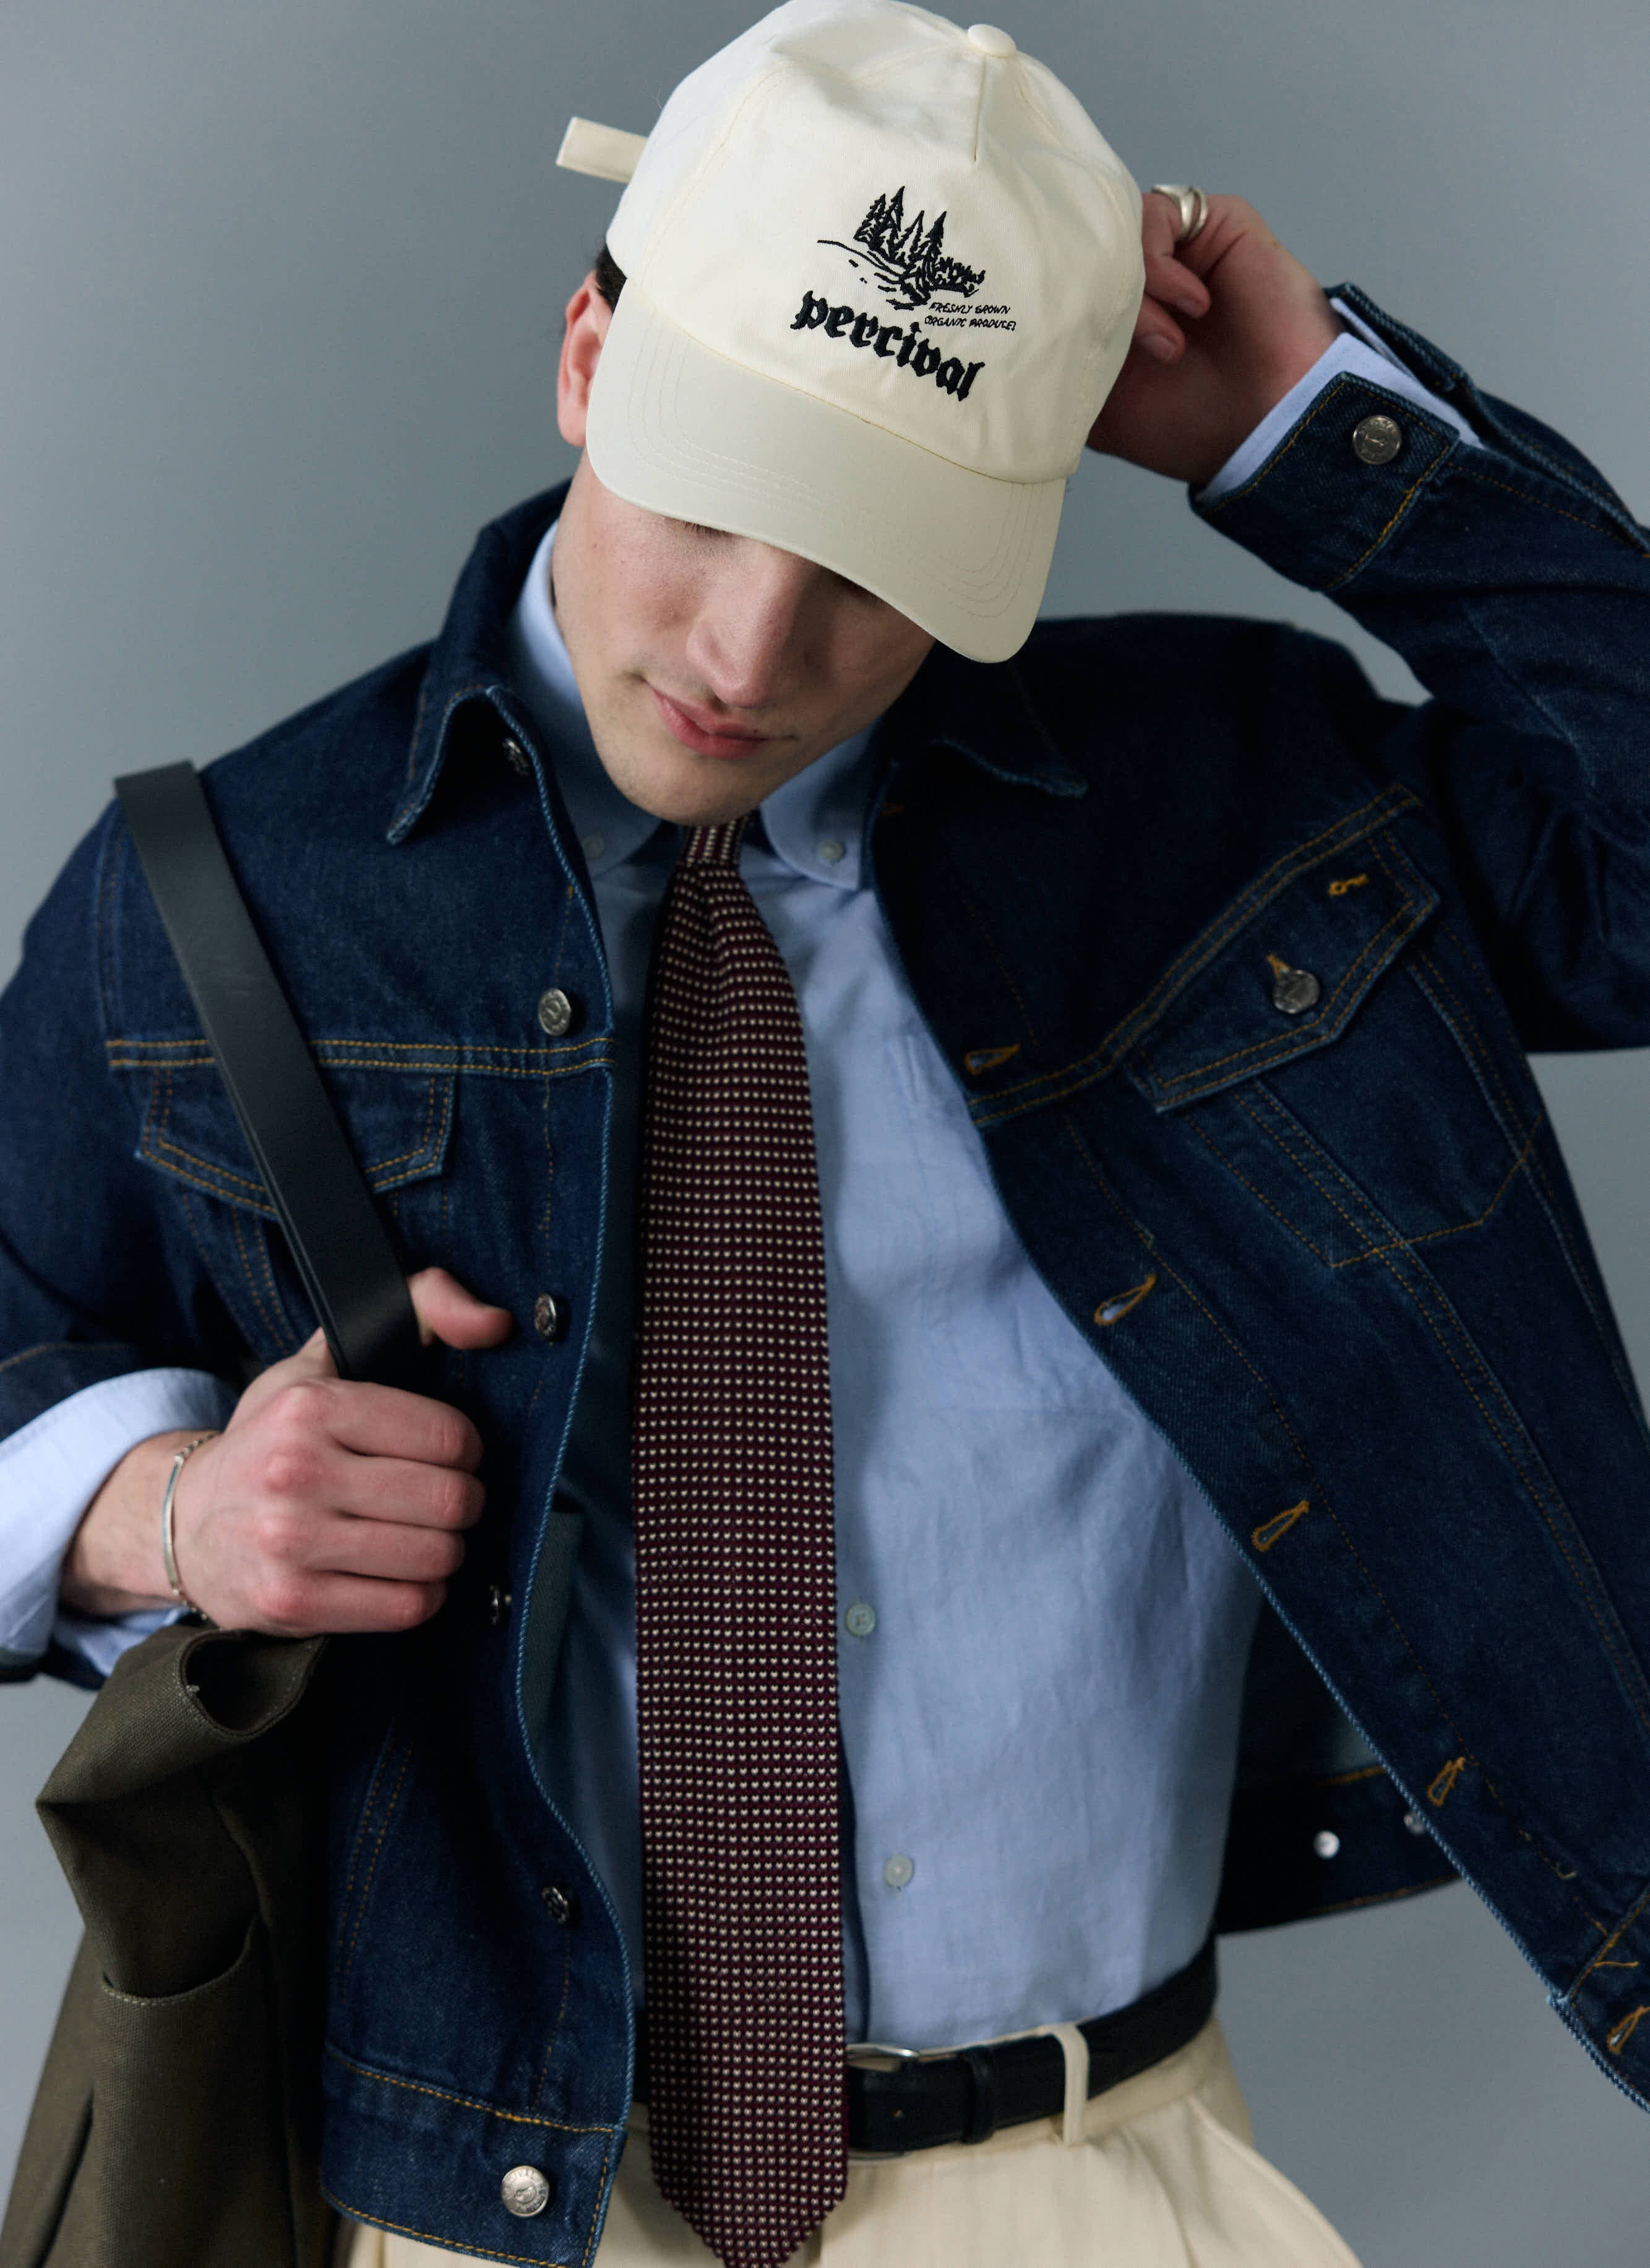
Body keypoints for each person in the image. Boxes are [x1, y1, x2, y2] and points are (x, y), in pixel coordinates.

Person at [4, 0, 1649, 2262]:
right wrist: (158, 1508)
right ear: (590, 354)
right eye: (714, 499)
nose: (752, 645)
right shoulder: (221, 894)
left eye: (879, 558)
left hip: (1106, 2177)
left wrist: (1311, 433)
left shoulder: (1239, 808)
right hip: (506, 2210)